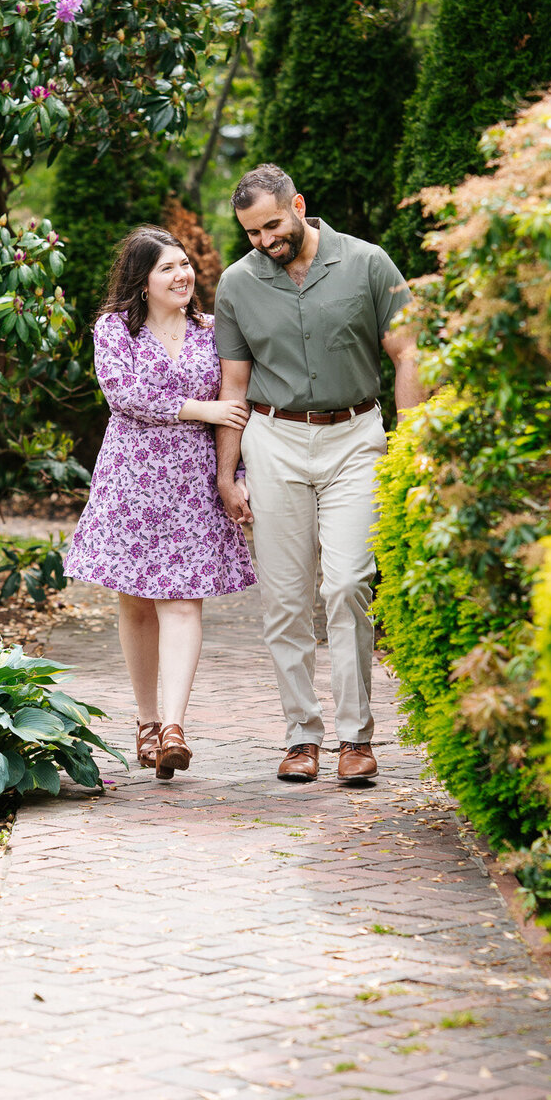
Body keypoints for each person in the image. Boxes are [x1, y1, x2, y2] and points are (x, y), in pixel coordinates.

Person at [212, 165, 422, 784]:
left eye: (273, 225)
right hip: (273, 441)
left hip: (356, 436)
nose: (264, 241)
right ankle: (301, 736)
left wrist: (408, 445)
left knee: (350, 582)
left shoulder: (369, 263)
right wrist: (229, 474)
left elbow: (408, 352)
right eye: (251, 233)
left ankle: (356, 737)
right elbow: (234, 386)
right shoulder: (235, 285)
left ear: (299, 205)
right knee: (284, 596)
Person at [63, 226, 256, 780]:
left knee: (183, 600)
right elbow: (126, 394)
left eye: (186, 265)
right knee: (137, 602)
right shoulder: (114, 330)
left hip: (195, 481)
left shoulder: (214, 332)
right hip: (132, 482)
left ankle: (173, 727)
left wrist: (235, 474)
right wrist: (204, 409)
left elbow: (236, 408)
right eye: (168, 268)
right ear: (142, 281)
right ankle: (146, 721)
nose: (182, 276)